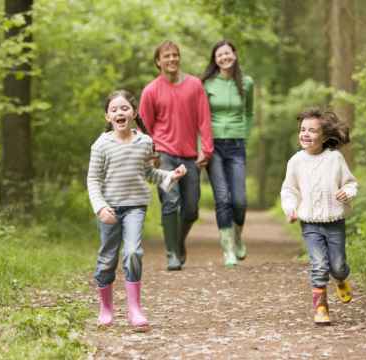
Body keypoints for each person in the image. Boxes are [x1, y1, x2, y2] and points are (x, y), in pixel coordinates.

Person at [87, 90, 187, 330]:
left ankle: (134, 310)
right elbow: (93, 180)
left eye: (124, 108)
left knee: (133, 253)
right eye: (114, 109)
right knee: (107, 260)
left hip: (135, 207)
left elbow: (148, 173)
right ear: (107, 117)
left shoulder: (144, 142)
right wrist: (100, 208)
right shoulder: (101, 145)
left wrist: (170, 176)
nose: (119, 113)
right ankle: (106, 309)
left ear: (132, 113)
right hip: (109, 210)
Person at [139, 40, 214, 271]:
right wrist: (149, 155)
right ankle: (172, 253)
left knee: (191, 208)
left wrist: (207, 148)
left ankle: (178, 242)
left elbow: (204, 118)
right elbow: (144, 127)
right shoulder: (151, 90)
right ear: (158, 62)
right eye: (167, 56)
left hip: (190, 155)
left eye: (175, 55)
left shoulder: (194, 85)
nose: (172, 59)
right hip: (164, 155)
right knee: (171, 202)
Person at [280, 108, 357, 326]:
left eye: (312, 131)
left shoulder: (335, 159)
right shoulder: (296, 161)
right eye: (302, 130)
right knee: (319, 264)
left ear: (324, 136)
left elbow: (351, 183)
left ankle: (341, 278)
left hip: (334, 222)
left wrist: (347, 192)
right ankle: (321, 307)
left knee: (338, 265)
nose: (305, 134)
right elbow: (289, 190)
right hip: (310, 223)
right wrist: (290, 208)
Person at [201, 40, 254, 267]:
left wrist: (244, 134)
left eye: (227, 53)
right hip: (213, 146)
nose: (224, 58)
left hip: (236, 144)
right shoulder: (207, 84)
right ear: (215, 59)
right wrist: (201, 146)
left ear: (234, 54)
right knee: (222, 198)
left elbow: (249, 113)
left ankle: (238, 236)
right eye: (219, 55)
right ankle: (228, 249)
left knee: (239, 200)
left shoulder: (247, 82)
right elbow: (201, 117)